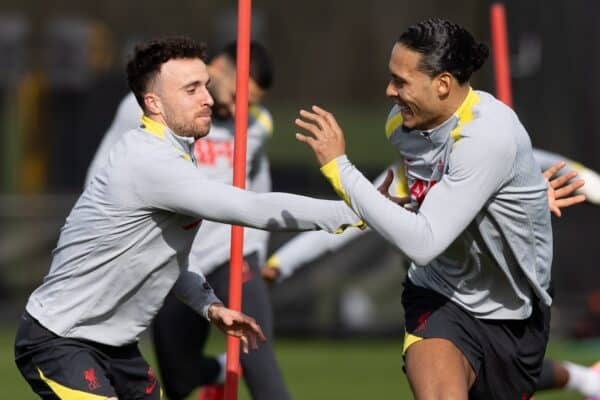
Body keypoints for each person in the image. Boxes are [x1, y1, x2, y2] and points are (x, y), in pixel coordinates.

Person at [14, 36, 362, 400]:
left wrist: (209, 306)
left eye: (206, 86)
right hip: (59, 340)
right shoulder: (151, 163)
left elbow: (170, 258)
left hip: (117, 349)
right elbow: (254, 208)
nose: (208, 98)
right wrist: (355, 208)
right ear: (154, 103)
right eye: (192, 89)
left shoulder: (179, 153)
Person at [294, 17, 563, 399]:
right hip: (439, 294)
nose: (390, 91)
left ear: (443, 85)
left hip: (515, 315)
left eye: (401, 82)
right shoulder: (401, 126)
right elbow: (429, 235)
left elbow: (425, 238)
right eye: (391, 78)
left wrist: (340, 169)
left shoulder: (488, 136)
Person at [262, 161, 600, 399]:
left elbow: (565, 169)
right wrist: (282, 263)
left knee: (508, 381)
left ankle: (586, 380)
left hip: (503, 304)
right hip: (439, 301)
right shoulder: (402, 175)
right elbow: (345, 223)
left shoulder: (489, 147)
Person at [150, 42, 291, 400]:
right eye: (236, 95)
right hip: (177, 260)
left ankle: (242, 364)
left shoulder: (258, 124)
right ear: (218, 69)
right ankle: (218, 371)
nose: (237, 108)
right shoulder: (169, 108)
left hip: (233, 255)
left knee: (257, 357)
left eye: (251, 102)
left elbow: (258, 181)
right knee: (178, 379)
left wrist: (255, 250)